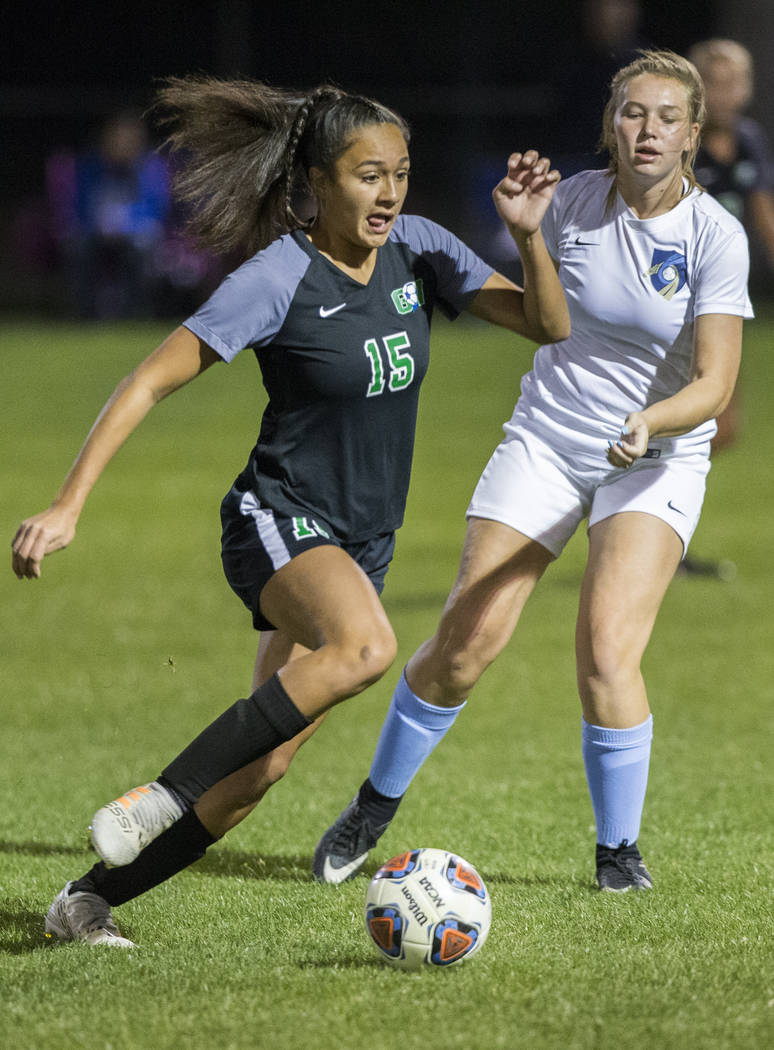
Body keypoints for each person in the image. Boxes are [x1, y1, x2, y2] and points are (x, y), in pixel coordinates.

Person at [11, 76, 569, 946]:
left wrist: (530, 238)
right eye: (367, 174)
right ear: (317, 181)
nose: (389, 192)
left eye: (401, 172)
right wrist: (67, 504)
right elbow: (148, 379)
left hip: (360, 542)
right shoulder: (278, 277)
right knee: (368, 645)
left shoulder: (418, 248)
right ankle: (157, 795)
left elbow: (548, 324)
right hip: (276, 519)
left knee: (260, 768)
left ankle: (85, 902)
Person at [313, 49, 753, 893]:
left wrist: (649, 421)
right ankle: (374, 802)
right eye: (633, 113)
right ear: (610, 124)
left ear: (694, 134)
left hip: (656, 455)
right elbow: (545, 317)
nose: (649, 129)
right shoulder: (573, 203)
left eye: (667, 117)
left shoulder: (712, 237)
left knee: (605, 648)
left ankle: (617, 855)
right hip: (551, 437)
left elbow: (715, 384)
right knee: (467, 641)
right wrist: (525, 234)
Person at [676, 39, 774, 578]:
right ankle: (657, 541)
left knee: (721, 429)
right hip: (677, 300)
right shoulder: (680, 145)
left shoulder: (749, 141)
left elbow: (763, 213)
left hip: (726, 303)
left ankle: (646, 518)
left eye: (735, 80)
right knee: (693, 420)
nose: (725, 92)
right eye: (714, 81)